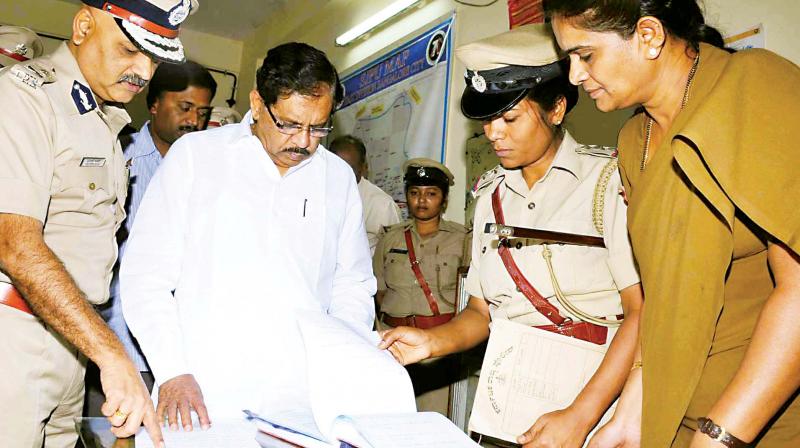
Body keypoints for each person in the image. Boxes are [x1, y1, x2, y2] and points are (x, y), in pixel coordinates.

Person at [544, 1, 800, 447]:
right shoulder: (632, 139)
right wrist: (627, 419)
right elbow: (663, 301)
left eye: (586, 55)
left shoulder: (755, 84)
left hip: (758, 422)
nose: (574, 76)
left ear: (649, 35)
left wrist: (720, 434)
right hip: (676, 414)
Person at [378, 23, 644, 447]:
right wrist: (430, 342)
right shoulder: (489, 196)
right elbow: (480, 314)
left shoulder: (607, 183)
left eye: (509, 117)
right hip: (508, 407)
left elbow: (641, 312)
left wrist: (580, 417)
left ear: (556, 109)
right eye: (487, 120)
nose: (493, 133)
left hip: (593, 409)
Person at [120, 42, 375, 430]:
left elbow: (352, 284)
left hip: (304, 398)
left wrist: (343, 364)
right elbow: (145, 277)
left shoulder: (337, 178)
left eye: (319, 127)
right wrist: (172, 370)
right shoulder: (196, 158)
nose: (304, 142)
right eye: (289, 124)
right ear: (257, 104)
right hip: (202, 393)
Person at [0, 1, 195, 447]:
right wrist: (113, 354)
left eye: (154, 58)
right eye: (129, 50)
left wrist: (97, 351)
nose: (144, 72)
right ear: (84, 25)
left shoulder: (102, 120)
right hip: (14, 340)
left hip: (70, 342)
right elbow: (15, 245)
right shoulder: (26, 97)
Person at [85, 59, 216, 416]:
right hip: (117, 342)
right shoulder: (115, 153)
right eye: (185, 108)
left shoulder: (212, 171)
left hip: (184, 350)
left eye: (203, 112)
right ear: (154, 104)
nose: (194, 121)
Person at [372, 158, 468, 414]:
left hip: (438, 350)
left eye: (431, 194)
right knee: (389, 419)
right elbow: (379, 291)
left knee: (432, 421)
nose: (422, 200)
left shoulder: (461, 240)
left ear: (444, 200)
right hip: (393, 346)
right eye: (414, 193)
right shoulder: (390, 237)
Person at [329, 134, 402, 254]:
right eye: (337, 167)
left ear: (364, 168)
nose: (342, 174)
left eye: (350, 168)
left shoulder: (382, 205)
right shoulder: (316, 195)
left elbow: (394, 254)